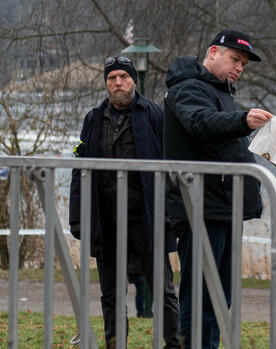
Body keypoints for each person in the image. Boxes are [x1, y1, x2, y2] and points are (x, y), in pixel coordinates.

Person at [163, 29, 272, 348]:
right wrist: (242, 120)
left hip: (225, 206)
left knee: (219, 295)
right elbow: (201, 123)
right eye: (235, 59)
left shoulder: (222, 92)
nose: (239, 67)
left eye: (244, 64)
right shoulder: (187, 89)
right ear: (213, 52)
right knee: (200, 295)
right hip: (200, 207)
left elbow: (224, 143)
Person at [69, 55, 180, 348]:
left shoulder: (154, 114)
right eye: (111, 78)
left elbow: (170, 165)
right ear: (106, 83)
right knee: (111, 293)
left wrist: (171, 213)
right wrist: (78, 217)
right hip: (105, 220)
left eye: (124, 77)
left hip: (147, 218)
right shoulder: (93, 119)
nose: (118, 83)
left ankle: (174, 344)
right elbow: (80, 168)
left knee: (163, 290)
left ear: (132, 81)